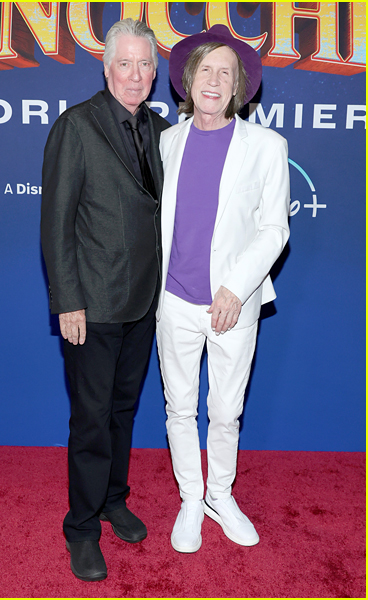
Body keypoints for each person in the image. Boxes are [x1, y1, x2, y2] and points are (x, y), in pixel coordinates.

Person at [41, 18, 170, 581]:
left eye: (146, 65)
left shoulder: (163, 128)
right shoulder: (77, 126)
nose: (136, 75)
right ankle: (83, 527)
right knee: (91, 421)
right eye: (126, 63)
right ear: (106, 66)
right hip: (91, 305)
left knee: (123, 412)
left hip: (144, 302)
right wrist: (67, 301)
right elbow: (56, 223)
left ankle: (115, 499)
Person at [156, 25, 290, 553]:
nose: (214, 80)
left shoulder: (267, 146)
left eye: (225, 73)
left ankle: (220, 495)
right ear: (189, 81)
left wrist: (236, 287)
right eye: (205, 70)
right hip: (173, 301)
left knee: (227, 411)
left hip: (233, 303)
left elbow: (274, 227)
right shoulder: (166, 141)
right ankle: (191, 498)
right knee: (179, 408)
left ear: (240, 88)